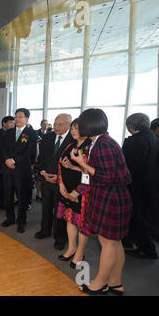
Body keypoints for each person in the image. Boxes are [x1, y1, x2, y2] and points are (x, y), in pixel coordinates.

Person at [70, 108, 132, 296]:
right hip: (113, 197)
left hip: (111, 198)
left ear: (90, 123)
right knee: (115, 242)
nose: (78, 126)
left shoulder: (103, 144)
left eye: (81, 122)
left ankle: (99, 284)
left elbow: (105, 176)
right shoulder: (103, 141)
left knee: (108, 243)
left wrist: (81, 163)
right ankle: (115, 283)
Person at [56, 119, 92, 268]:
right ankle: (72, 248)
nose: (73, 131)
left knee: (82, 223)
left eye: (76, 128)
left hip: (82, 192)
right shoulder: (70, 145)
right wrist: (61, 184)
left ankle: (80, 253)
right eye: (72, 128)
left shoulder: (90, 147)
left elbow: (90, 172)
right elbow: (60, 164)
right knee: (70, 219)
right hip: (67, 189)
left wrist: (77, 192)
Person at [122, 113, 158, 259]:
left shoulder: (134, 141)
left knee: (136, 219)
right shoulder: (154, 138)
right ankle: (131, 241)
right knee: (143, 217)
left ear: (130, 126)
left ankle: (147, 249)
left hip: (135, 187)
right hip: (150, 186)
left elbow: (129, 167)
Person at [35, 114, 73, 250]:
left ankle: (60, 237)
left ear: (69, 125)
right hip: (46, 180)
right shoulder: (48, 137)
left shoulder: (73, 140)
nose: (56, 127)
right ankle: (45, 230)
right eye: (55, 123)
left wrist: (59, 177)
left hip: (63, 183)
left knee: (60, 210)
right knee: (46, 207)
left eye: (61, 124)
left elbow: (75, 166)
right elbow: (41, 159)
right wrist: (43, 172)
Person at [0, 108, 37, 233]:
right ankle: (10, 218)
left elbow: (30, 151)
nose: (18, 119)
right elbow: (3, 148)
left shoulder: (31, 133)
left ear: (27, 118)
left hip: (21, 170)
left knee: (22, 197)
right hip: (8, 169)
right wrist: (7, 160)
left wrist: (14, 160)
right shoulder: (9, 132)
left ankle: (21, 221)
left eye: (21, 117)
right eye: (16, 117)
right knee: (8, 196)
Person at [0, 116, 15, 209]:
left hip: (11, 163)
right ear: (4, 123)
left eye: (13, 123)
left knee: (9, 186)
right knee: (0, 185)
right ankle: (1, 203)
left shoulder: (14, 133)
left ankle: (8, 202)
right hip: (0, 163)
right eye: (11, 122)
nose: (13, 124)